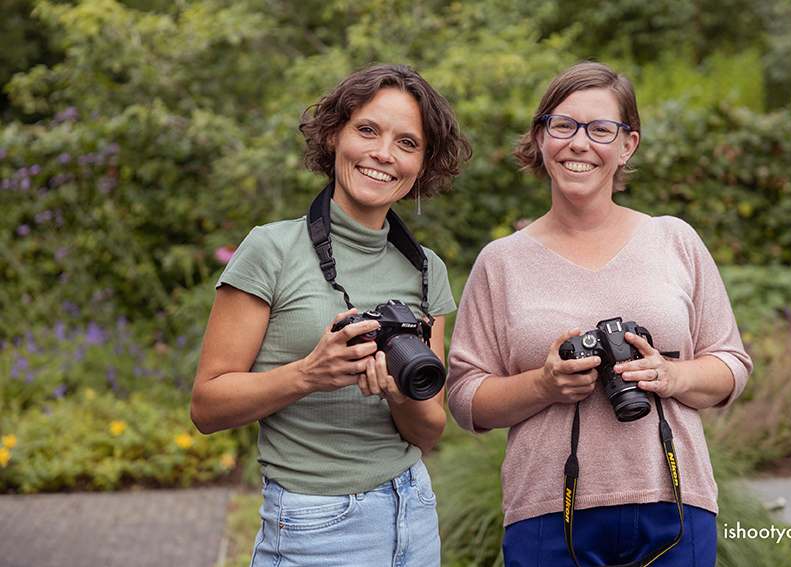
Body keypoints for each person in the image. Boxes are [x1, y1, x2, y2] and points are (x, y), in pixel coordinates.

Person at [446, 61, 752, 567]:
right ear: (541, 137)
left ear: (627, 144)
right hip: (546, 510)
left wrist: (669, 375)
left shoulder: (674, 240)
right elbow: (463, 398)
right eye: (562, 125)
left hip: (673, 502)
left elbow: (732, 366)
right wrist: (544, 386)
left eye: (601, 129)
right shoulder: (501, 261)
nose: (578, 143)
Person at [191, 63, 471, 567]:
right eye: (367, 130)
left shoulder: (426, 269)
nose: (383, 154)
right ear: (333, 135)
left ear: (424, 166)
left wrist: (396, 390)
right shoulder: (270, 249)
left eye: (407, 143)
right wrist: (308, 374)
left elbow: (429, 431)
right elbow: (207, 408)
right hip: (315, 524)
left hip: (415, 512)